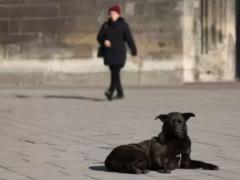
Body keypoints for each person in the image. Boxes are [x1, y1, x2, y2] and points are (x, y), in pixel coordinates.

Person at [97, 5, 137, 101]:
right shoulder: (106, 25)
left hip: (119, 53)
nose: (112, 15)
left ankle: (110, 91)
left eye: (114, 14)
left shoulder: (123, 25)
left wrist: (133, 49)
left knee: (115, 72)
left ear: (118, 14)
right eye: (110, 14)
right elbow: (99, 37)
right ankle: (120, 93)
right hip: (109, 53)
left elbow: (129, 38)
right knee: (115, 73)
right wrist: (104, 41)